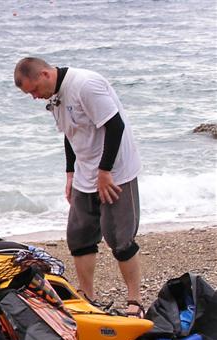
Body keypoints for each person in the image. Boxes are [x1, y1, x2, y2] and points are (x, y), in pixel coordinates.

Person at [14, 57, 144, 317]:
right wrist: (70, 173)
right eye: (30, 94)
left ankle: (135, 302)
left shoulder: (85, 85)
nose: (35, 97)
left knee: (120, 239)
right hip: (86, 171)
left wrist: (105, 171)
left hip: (115, 171)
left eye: (34, 90)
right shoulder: (56, 95)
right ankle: (88, 297)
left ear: (44, 74)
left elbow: (115, 125)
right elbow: (69, 133)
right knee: (79, 236)